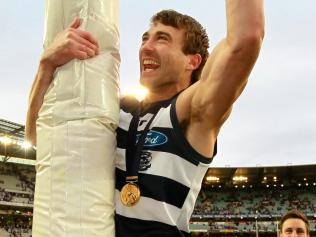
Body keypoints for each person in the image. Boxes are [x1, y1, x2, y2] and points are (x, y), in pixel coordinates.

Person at [26, 1, 264, 236]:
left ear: (193, 61)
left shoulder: (192, 113)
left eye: (162, 38)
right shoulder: (116, 110)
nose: (146, 47)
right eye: (144, 38)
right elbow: (39, 136)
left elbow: (245, 39)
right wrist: (46, 64)